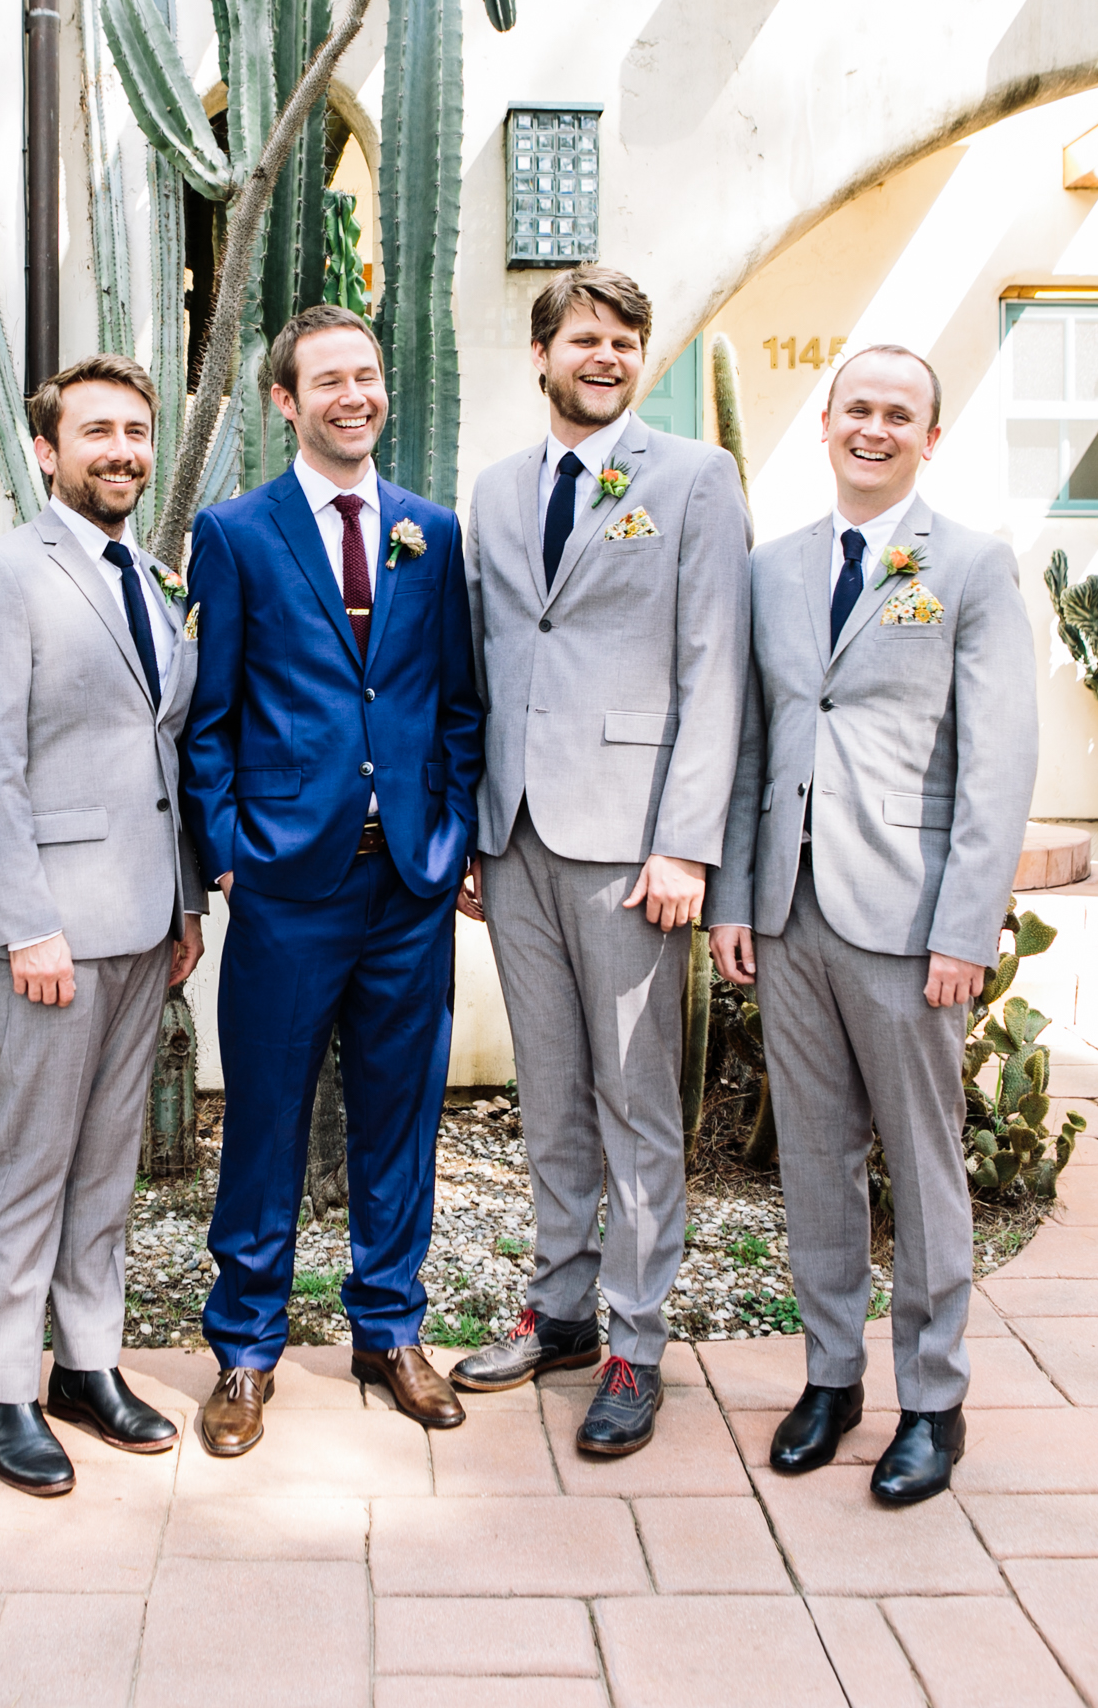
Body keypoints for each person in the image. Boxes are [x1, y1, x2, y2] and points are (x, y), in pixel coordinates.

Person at [707, 343, 1038, 1505]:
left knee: (923, 1161)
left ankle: (934, 1402)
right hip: (789, 912)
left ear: (928, 438)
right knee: (814, 1157)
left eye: (901, 414)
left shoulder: (974, 566)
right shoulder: (773, 570)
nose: (876, 428)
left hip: (908, 921)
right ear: (828, 424)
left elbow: (997, 768)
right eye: (860, 408)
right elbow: (751, 746)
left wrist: (967, 926)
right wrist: (737, 897)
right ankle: (832, 1377)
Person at [453, 267, 751, 1458]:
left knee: (636, 1101)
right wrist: (477, 827)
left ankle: (637, 1338)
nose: (609, 354)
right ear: (543, 355)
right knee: (553, 1091)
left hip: (634, 845)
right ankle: (563, 1307)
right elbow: (487, 656)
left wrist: (686, 842)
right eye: (586, 336)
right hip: (516, 834)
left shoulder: (693, 479)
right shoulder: (496, 487)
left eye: (627, 339)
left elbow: (715, 665)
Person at [180, 304, 483, 1455]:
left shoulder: (429, 532)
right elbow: (211, 717)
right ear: (285, 402)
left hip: (406, 884)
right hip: (287, 886)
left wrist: (447, 834)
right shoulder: (239, 532)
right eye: (329, 380)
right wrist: (230, 852)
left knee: (401, 1118)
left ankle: (389, 1327)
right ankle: (246, 1349)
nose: (354, 395)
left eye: (368, 374)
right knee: (264, 1115)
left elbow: (455, 701)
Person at [0, 355, 205, 1496]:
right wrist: (27, 921)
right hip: (50, 929)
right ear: (47, 449)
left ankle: (87, 1362)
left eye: (137, 431)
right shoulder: (2, 573)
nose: (123, 450)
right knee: (33, 1162)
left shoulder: (147, 572)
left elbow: (161, 756)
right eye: (97, 431)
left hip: (145, 922)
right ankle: (5, 1385)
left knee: (106, 1162)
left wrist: (187, 901)